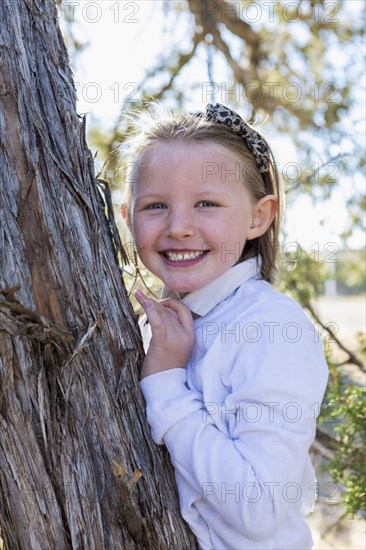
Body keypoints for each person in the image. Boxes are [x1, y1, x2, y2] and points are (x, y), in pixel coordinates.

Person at [121, 102, 329, 549]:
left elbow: (258, 508)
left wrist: (167, 382)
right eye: (155, 205)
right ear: (127, 217)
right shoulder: (150, 324)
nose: (178, 227)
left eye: (207, 204)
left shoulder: (270, 329)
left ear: (259, 216)